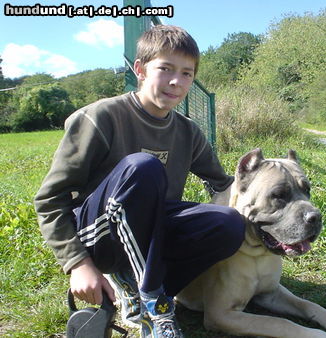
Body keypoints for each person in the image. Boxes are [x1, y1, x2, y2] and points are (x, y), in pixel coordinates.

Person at [34, 24, 245, 338]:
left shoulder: (187, 132)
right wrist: (78, 263)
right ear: (140, 70)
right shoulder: (100, 118)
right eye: (165, 69)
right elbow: (50, 200)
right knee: (142, 168)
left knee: (228, 224)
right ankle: (152, 306)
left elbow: (223, 184)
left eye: (187, 73)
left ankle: (135, 288)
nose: (177, 81)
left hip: (151, 237)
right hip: (100, 235)